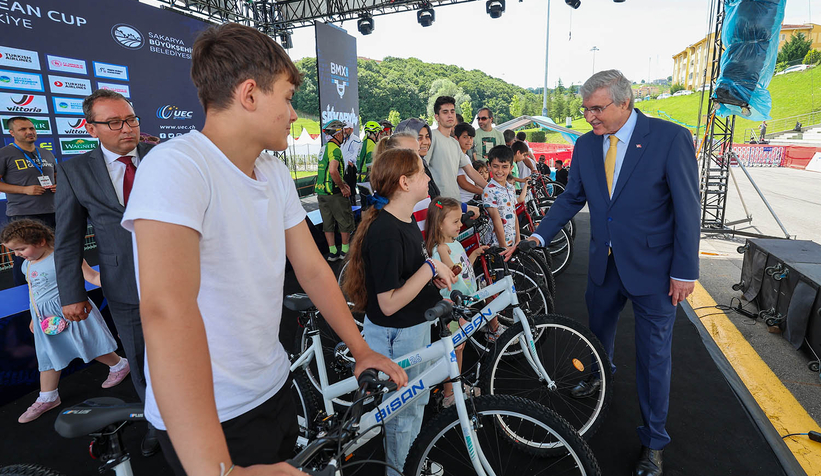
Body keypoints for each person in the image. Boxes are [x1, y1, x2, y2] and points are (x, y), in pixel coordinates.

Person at [120, 23, 405, 476]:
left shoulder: (272, 171)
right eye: (288, 98)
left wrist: (360, 348)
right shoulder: (177, 166)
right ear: (249, 94)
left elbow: (312, 268)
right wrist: (221, 472)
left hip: (273, 387)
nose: (293, 114)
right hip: (210, 416)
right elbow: (166, 310)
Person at [529, 70, 700, 476]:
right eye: (585, 109)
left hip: (655, 272)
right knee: (597, 335)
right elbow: (572, 197)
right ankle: (598, 375)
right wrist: (538, 236)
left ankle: (654, 441)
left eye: (597, 108)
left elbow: (687, 209)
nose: (589, 116)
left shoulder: (670, 138)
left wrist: (684, 270)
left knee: (653, 359)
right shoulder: (586, 145)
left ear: (625, 103)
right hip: (603, 266)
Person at [53, 89, 160, 456]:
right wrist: (72, 294)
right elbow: (67, 239)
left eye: (130, 120)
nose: (127, 128)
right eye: (114, 122)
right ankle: (156, 422)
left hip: (185, 279)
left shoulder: (163, 157)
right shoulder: (75, 172)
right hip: (124, 285)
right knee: (141, 360)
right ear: (91, 128)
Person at [342, 147, 456, 476]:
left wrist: (429, 275)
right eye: (422, 172)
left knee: (412, 407)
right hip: (397, 334)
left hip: (410, 329)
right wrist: (430, 267)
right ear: (405, 183)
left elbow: (406, 274)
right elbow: (388, 303)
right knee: (403, 416)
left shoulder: (402, 221)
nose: (428, 178)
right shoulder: (386, 232)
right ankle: (403, 468)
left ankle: (409, 462)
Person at [1, 219, 129, 424]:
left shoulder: (64, 256)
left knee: (90, 343)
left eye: (21, 249)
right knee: (47, 354)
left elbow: (92, 276)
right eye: (14, 250)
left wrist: (122, 283)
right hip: (46, 318)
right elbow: (33, 291)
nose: (17, 254)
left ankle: (119, 365)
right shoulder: (27, 264)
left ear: (41, 241)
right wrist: (35, 316)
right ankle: (48, 396)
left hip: (72, 311)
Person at [424, 197, 487, 406]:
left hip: (461, 305)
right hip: (451, 309)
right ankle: (449, 393)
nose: (461, 224)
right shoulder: (439, 250)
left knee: (458, 349)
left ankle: (454, 386)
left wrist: (474, 254)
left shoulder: (455, 243)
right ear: (440, 224)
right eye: (455, 221)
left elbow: (464, 270)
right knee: (453, 351)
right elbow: (452, 274)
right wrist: (443, 251)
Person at [0, 116, 57, 286]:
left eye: (31, 128)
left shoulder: (46, 153)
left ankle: (54, 287)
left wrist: (58, 185)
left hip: (52, 211)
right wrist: (24, 189)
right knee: (24, 258)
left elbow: (55, 176)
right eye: (23, 129)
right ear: (12, 133)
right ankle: (24, 293)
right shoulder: (4, 154)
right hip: (23, 215)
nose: (29, 132)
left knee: (54, 253)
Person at [427, 96, 487, 202]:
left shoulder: (455, 143)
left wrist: (491, 188)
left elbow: (470, 170)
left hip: (455, 200)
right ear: (437, 117)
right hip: (439, 201)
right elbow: (422, 169)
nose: (450, 115)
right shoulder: (431, 138)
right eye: (445, 112)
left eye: (452, 111)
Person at [316, 119, 354, 261]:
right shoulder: (335, 149)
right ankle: (345, 251)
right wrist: (343, 187)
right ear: (337, 134)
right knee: (344, 221)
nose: (344, 135)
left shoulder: (324, 148)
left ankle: (332, 252)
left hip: (321, 192)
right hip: (334, 192)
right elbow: (333, 170)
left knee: (328, 223)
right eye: (342, 133)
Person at [454, 122, 484, 202]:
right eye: (465, 137)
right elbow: (462, 183)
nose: (469, 141)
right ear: (456, 138)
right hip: (463, 200)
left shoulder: (466, 156)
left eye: (471, 138)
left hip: (471, 198)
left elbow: (473, 174)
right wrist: (484, 192)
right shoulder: (456, 156)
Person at [357, 121, 382, 206]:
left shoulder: (364, 142)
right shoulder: (371, 144)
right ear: (375, 133)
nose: (380, 135)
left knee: (364, 205)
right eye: (379, 132)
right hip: (367, 179)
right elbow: (370, 165)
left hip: (360, 178)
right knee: (370, 207)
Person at [340, 120, 362, 206]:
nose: (344, 131)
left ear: (351, 129)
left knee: (351, 189)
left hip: (350, 169)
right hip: (343, 169)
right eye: (343, 129)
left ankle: (353, 206)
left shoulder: (355, 140)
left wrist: (351, 161)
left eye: (346, 129)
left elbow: (357, 153)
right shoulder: (343, 140)